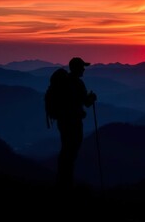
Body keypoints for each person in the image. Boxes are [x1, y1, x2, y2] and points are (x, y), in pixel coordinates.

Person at [56, 57, 97, 190]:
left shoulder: (64, 82)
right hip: (74, 123)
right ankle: (67, 183)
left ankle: (63, 181)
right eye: (82, 67)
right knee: (71, 151)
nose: (84, 69)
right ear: (77, 68)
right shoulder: (78, 84)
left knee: (65, 150)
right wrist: (92, 98)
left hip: (63, 122)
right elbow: (86, 103)